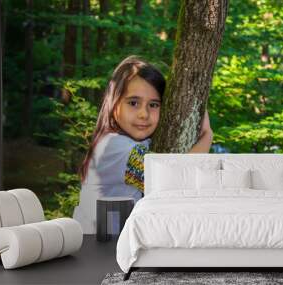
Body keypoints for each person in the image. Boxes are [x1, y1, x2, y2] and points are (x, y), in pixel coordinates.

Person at [73, 56, 213, 234]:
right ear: (114, 103)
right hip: (96, 249)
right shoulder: (114, 147)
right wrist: (207, 136)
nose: (143, 114)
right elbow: (173, 183)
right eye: (133, 103)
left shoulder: (132, 142)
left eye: (153, 105)